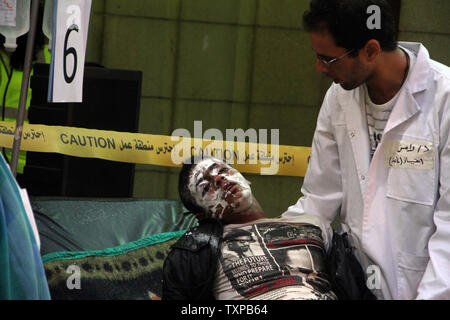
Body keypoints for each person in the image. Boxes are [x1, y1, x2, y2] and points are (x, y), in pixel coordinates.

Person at [283, 0, 450, 299]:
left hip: (423, 288)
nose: (319, 68)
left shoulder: (444, 101)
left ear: (371, 50)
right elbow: (319, 200)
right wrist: (267, 245)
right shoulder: (339, 98)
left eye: (328, 59)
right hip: (353, 284)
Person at [162, 156, 337, 300]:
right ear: (202, 216)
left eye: (223, 170)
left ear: (245, 178)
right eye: (206, 187)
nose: (219, 178)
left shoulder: (311, 223)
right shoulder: (199, 251)